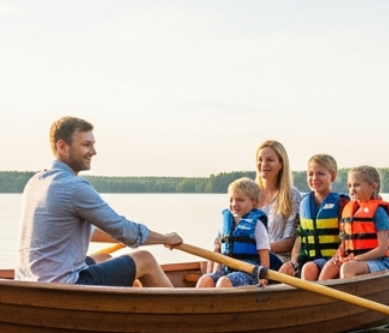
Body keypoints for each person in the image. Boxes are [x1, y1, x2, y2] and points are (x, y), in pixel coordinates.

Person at [16, 116, 183, 287]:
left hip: (29, 282)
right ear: (62, 146)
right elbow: (126, 231)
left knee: (104, 258)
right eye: (86, 145)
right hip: (63, 286)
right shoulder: (74, 187)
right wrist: (165, 238)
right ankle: (179, 312)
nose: (93, 151)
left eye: (92, 144)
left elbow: (90, 231)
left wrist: (120, 238)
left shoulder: (35, 182)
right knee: (145, 259)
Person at [279, 153, 349, 281]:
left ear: (332, 176)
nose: (314, 178)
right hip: (308, 260)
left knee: (309, 268)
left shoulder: (342, 203)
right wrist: (293, 261)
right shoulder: (304, 202)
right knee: (284, 270)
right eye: (310, 174)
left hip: (334, 260)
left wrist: (335, 261)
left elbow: (347, 240)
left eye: (320, 173)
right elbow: (300, 237)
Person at [319, 165, 389, 280]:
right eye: (349, 186)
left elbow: (382, 249)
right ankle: (322, 298)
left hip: (380, 262)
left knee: (347, 268)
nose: (352, 189)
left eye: (357, 185)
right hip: (353, 259)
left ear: (373, 186)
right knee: (329, 267)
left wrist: (356, 259)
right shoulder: (350, 210)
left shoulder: (379, 212)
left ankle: (347, 296)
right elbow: (345, 242)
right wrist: (339, 257)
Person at [196, 178, 270, 288]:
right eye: (231, 200)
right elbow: (218, 253)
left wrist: (264, 277)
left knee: (223, 282)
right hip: (226, 271)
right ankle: (199, 305)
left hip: (248, 274)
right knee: (205, 280)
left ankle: (222, 305)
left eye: (240, 200)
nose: (234, 204)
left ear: (253, 202)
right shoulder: (225, 225)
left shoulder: (257, 225)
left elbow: (264, 254)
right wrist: (214, 273)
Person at [254, 140, 305, 270]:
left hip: (279, 259)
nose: (264, 164)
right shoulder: (251, 194)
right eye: (260, 160)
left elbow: (290, 241)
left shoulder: (291, 195)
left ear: (281, 163)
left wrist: (261, 248)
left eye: (270, 160)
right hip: (251, 256)